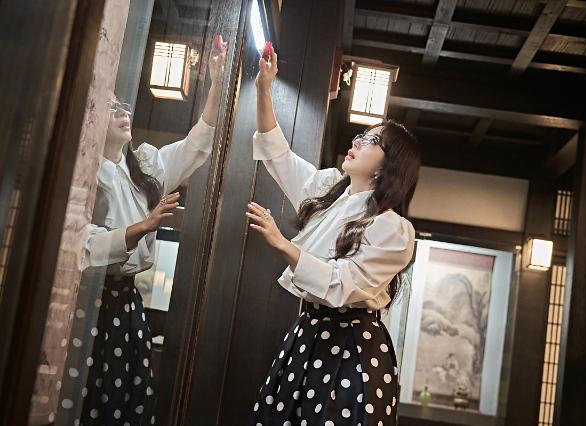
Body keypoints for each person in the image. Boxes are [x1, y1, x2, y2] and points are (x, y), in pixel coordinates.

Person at [60, 36, 227, 426]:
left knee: (126, 402)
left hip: (127, 303)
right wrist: (145, 225)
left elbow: (197, 144)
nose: (122, 111)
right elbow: (84, 247)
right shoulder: (81, 175)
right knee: (84, 400)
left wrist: (217, 83)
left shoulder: (144, 165)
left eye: (123, 105)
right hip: (88, 301)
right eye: (110, 107)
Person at [248, 48, 421, 425]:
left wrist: (284, 245)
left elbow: (342, 285)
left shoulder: (394, 229)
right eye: (360, 136)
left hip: (354, 349)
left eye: (371, 141)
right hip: (307, 333)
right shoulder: (328, 190)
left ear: (389, 166)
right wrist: (264, 88)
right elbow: (277, 154)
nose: (357, 142)